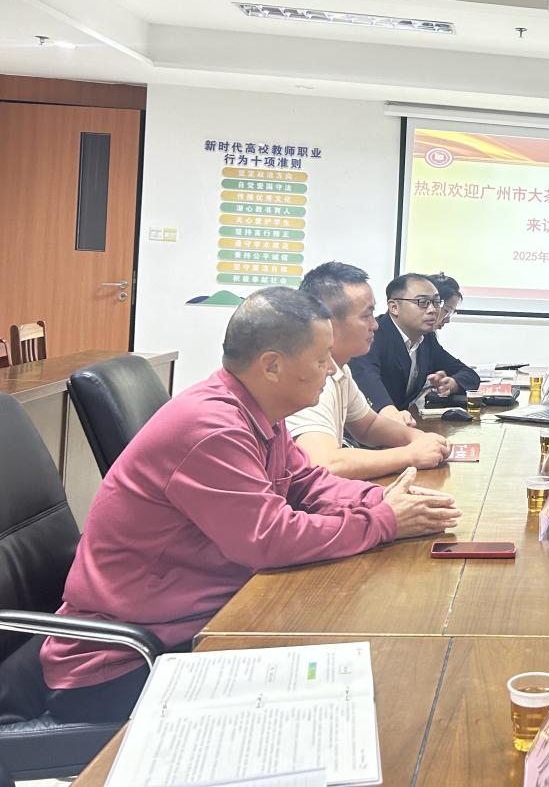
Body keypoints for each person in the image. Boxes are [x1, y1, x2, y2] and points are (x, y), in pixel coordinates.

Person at [41, 288, 460, 722]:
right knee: (350, 698)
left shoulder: (256, 412)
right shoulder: (212, 428)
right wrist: (383, 522)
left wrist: (381, 499)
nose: (331, 369)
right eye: (321, 360)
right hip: (123, 661)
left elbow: (305, 482)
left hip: (198, 619)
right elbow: (270, 538)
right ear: (272, 365)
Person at [291, 261, 452, 478]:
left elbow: (369, 426)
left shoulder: (339, 368)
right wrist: (409, 455)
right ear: (328, 322)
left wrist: (419, 438)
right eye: (366, 315)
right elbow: (325, 464)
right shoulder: (309, 375)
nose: (375, 325)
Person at [349, 272, 480, 423]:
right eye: (423, 302)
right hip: (365, 428)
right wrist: (391, 413)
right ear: (394, 307)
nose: (432, 310)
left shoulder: (426, 339)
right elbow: (366, 378)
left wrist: (452, 383)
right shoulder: (373, 335)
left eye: (436, 302)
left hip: (402, 425)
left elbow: (468, 374)